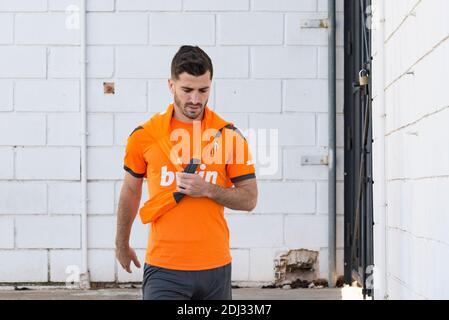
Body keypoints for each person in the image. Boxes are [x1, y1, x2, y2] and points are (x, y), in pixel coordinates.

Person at [115, 45, 258, 300]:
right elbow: (130, 191)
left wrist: (208, 189)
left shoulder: (228, 135)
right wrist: (121, 243)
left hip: (216, 267)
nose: (195, 99)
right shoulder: (144, 136)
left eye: (203, 90)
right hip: (164, 268)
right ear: (171, 85)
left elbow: (249, 199)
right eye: (187, 90)